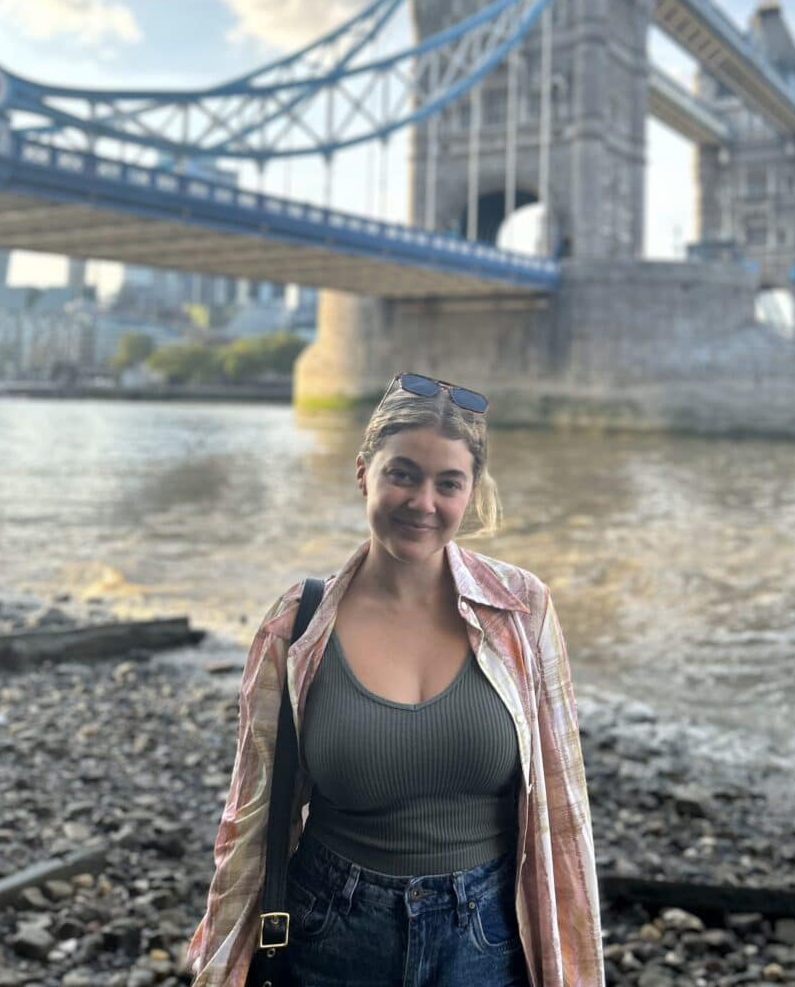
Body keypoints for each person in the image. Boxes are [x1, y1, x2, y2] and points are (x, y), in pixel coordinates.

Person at [184, 372, 605, 987]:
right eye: (402, 474)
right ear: (364, 473)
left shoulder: (521, 610)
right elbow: (251, 814)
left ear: (471, 492)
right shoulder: (297, 624)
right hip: (330, 928)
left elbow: (564, 810)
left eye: (448, 483)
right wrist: (222, 963)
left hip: (486, 937)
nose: (423, 502)